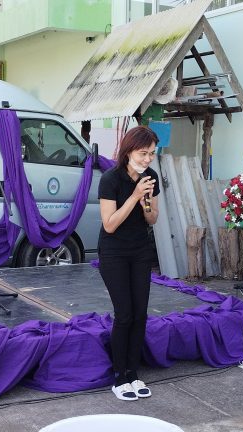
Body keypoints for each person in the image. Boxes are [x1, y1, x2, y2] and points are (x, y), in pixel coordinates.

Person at [98, 126, 160, 401]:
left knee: (140, 313)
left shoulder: (151, 177)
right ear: (129, 151)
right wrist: (134, 195)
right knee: (124, 314)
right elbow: (109, 225)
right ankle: (119, 377)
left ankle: (133, 374)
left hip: (140, 250)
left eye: (152, 154)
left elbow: (152, 218)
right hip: (114, 252)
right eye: (143, 153)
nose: (148, 159)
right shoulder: (110, 179)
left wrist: (146, 201)